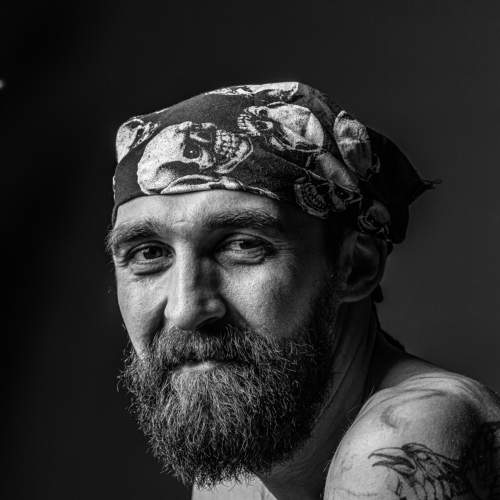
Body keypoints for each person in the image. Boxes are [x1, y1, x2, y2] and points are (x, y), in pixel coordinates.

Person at [107, 82, 500, 499]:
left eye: (243, 245)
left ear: (355, 267)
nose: (186, 309)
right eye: (149, 253)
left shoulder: (402, 436)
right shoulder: (238, 474)